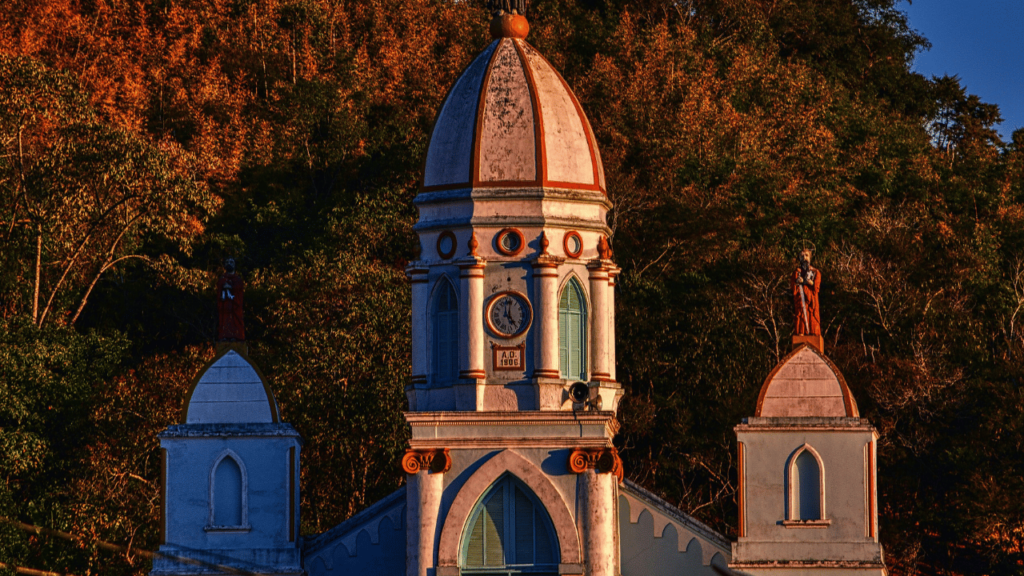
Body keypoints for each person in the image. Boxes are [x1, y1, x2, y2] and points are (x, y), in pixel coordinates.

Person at [792, 249, 821, 336]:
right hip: (801, 299)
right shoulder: (797, 272)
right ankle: (801, 332)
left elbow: (816, 287)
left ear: (810, 257)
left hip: (811, 300)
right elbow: (793, 286)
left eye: (806, 255)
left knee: (812, 316)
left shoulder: (815, 271)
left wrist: (810, 282)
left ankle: (812, 332)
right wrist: (797, 282)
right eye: (802, 256)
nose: (804, 258)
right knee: (800, 315)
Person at [216, 258, 245, 341]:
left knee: (236, 320)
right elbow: (219, 291)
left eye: (231, 262)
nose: (229, 264)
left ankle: (236, 336)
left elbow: (239, 291)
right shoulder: (222, 279)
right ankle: (224, 336)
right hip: (225, 307)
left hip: (235, 306)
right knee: (224, 320)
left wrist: (231, 287)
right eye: (227, 262)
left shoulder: (238, 279)